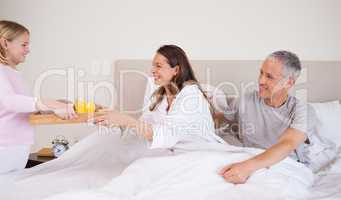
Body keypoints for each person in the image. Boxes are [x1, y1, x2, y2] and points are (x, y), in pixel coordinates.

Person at [219, 50, 337, 184]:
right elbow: (222, 119)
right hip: (249, 160)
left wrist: (247, 167)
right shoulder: (245, 100)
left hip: (285, 166)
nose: (261, 81)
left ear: (289, 83)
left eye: (269, 76)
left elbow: (287, 143)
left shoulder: (303, 111)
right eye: (261, 73)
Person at [94, 44, 224, 150]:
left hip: (197, 152)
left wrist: (125, 120)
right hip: (173, 152)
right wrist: (113, 119)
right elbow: (144, 127)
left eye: (158, 66)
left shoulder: (191, 96)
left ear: (176, 70)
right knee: (106, 145)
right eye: (153, 65)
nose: (153, 70)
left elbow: (166, 135)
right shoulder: (160, 97)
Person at [0, 20, 77, 174]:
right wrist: (48, 104)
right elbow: (9, 102)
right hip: (5, 145)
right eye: (24, 45)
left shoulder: (13, 73)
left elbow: (24, 107)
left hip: (18, 145)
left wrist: (54, 105)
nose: (28, 50)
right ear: (4, 43)